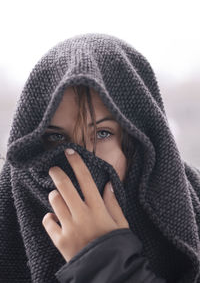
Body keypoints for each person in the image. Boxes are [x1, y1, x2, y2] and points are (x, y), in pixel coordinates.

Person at [1, 33, 200, 283]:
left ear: (139, 142)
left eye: (102, 133)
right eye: (55, 138)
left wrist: (103, 261)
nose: (79, 161)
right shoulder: (7, 210)